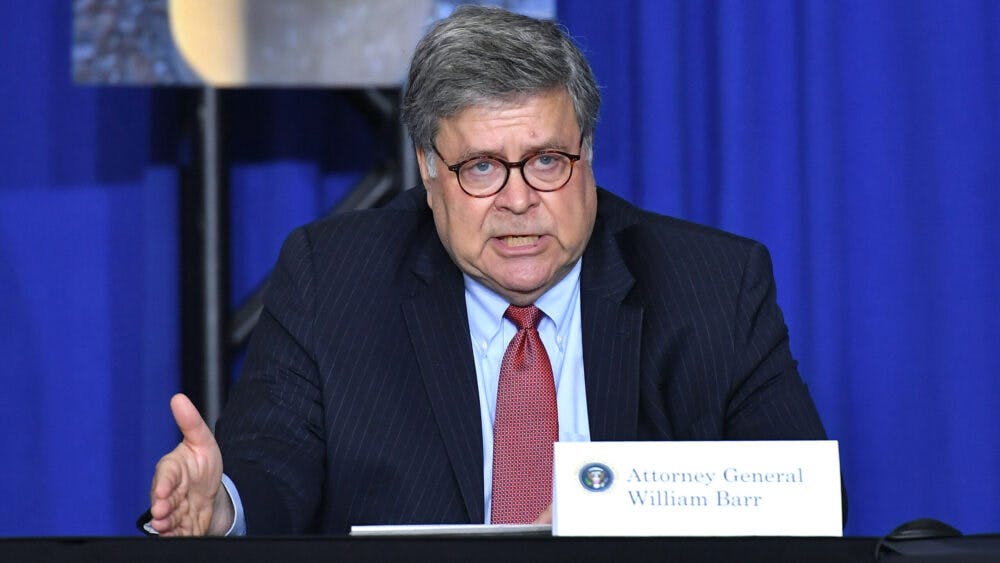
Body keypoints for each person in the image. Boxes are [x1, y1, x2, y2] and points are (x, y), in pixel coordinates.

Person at [148, 5, 828, 536]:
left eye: (547, 160)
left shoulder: (713, 284)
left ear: (588, 152)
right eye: (480, 167)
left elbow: (807, 500)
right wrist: (221, 506)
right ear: (427, 170)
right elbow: (272, 467)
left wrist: (619, 511)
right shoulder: (331, 279)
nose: (519, 199)